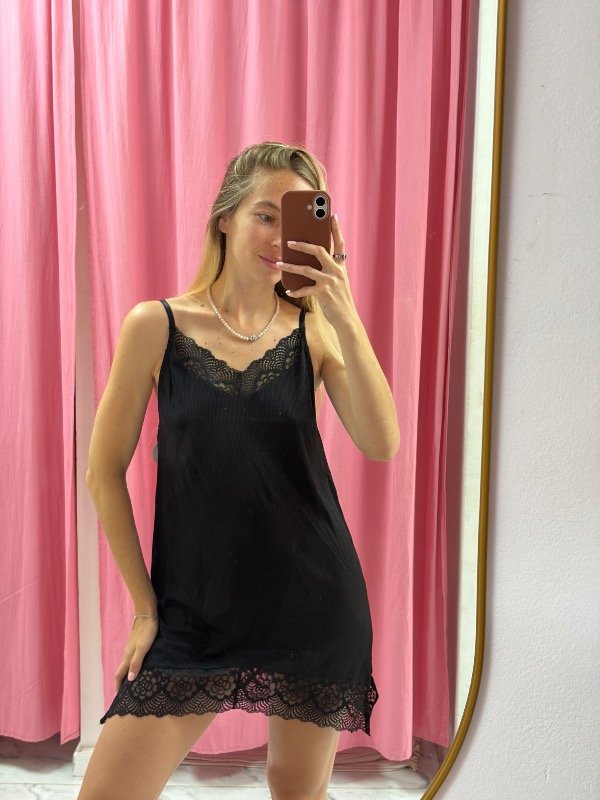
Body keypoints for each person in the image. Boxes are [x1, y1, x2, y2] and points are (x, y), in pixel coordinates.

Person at [78, 141, 400, 800]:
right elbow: (103, 472)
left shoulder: (315, 331)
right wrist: (144, 609)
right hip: (195, 611)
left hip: (312, 602)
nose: (281, 237)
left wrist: (340, 305)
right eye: (265, 215)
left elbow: (381, 441)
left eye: (296, 219)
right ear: (224, 218)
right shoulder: (156, 326)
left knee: (295, 790)